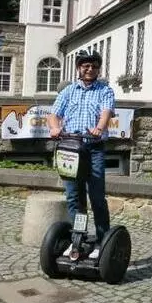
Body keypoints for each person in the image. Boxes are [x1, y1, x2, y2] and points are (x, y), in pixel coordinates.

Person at [47, 50, 115, 259]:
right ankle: (79, 237)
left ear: (98, 69)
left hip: (93, 148)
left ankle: (103, 240)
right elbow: (54, 114)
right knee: (74, 196)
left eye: (94, 66)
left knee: (96, 196)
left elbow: (106, 111)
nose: (90, 69)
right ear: (79, 68)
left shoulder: (105, 90)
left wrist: (99, 127)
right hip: (70, 147)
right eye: (86, 65)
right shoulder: (68, 91)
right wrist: (54, 128)